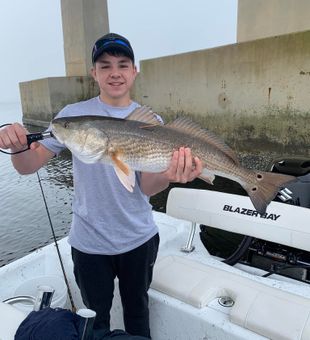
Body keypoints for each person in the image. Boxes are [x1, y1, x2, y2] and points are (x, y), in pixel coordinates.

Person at [0, 33, 202, 338]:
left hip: (138, 238)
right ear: (94, 73)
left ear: (134, 71)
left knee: (138, 311)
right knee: (95, 321)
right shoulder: (71, 118)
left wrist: (171, 174)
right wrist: (17, 148)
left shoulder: (151, 122)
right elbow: (29, 165)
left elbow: (147, 187)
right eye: (105, 66)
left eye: (123, 64)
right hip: (88, 243)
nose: (115, 72)